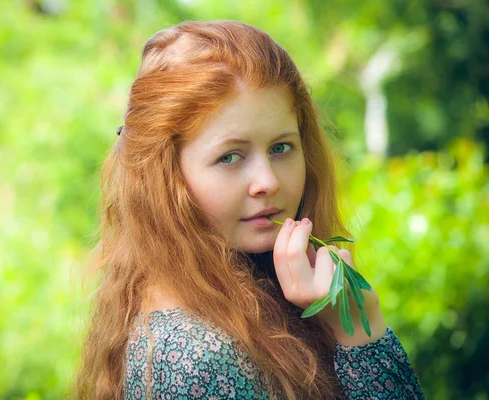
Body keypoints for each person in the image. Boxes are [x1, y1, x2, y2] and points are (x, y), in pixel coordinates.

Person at [73, 20, 425, 399]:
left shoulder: (249, 290)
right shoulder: (200, 356)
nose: (268, 181)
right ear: (166, 177)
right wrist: (361, 335)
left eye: (281, 148)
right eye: (230, 157)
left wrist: (351, 324)